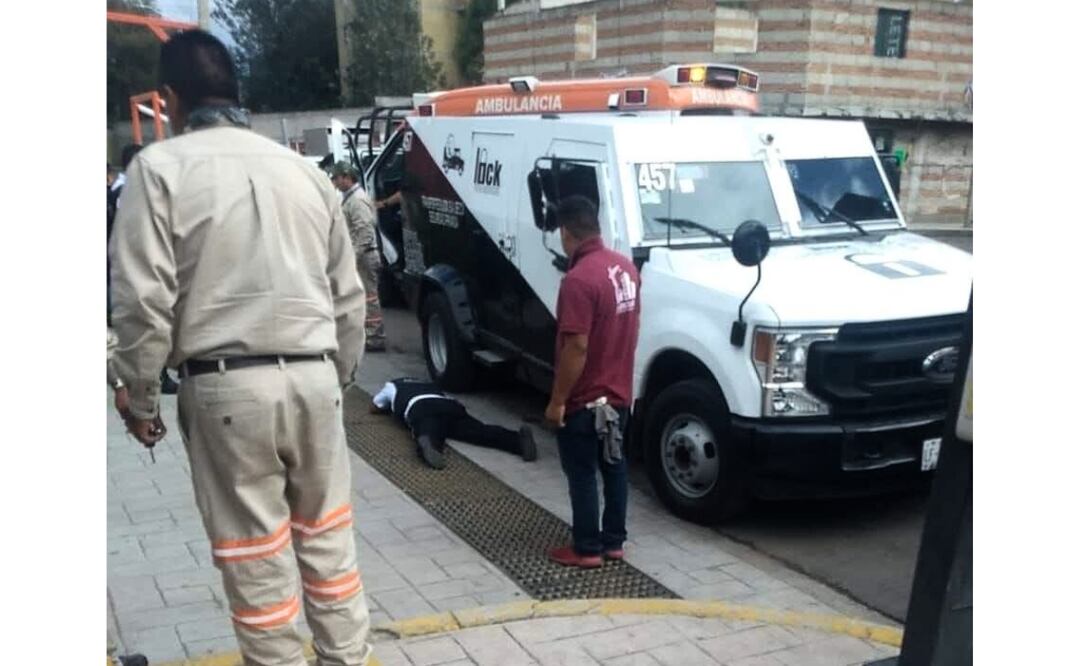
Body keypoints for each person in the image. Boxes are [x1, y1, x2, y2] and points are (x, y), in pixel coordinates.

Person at [109, 30, 372, 666]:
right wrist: (334, 378)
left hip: (226, 387)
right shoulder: (301, 172)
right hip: (315, 378)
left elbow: (143, 303)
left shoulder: (158, 170)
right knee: (330, 551)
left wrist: (139, 396)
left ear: (170, 98)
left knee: (258, 564)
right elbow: (348, 297)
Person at [544, 196, 641, 569]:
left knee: (582, 473)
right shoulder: (626, 269)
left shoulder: (578, 280)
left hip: (585, 401)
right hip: (618, 396)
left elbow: (576, 346)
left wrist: (558, 401)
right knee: (615, 467)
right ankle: (613, 542)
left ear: (567, 232)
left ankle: (586, 548)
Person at [110, 143, 181, 395]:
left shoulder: (129, 190)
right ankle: (154, 377)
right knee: (150, 318)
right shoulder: (128, 193)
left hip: (137, 262)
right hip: (142, 263)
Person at [371, 377, 538, 470]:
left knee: (428, 429)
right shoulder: (428, 384)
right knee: (479, 431)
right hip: (450, 406)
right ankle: (517, 440)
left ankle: (429, 445)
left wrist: (390, 408)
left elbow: (376, 405)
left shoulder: (392, 385)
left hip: (420, 406)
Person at [331, 161, 385, 352]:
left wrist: (352, 257)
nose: (335, 182)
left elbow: (364, 232)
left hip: (364, 256)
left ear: (346, 177)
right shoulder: (350, 198)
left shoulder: (357, 200)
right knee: (363, 296)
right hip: (362, 254)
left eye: (336, 178)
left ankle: (375, 337)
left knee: (370, 297)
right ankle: (369, 334)